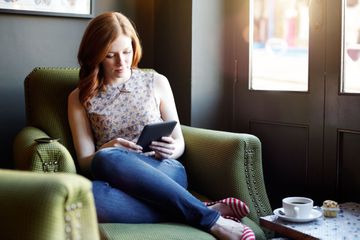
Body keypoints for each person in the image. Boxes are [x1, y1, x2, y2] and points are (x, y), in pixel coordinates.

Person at [68, 11, 255, 240]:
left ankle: (211, 221)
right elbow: (86, 160)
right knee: (91, 187)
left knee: (105, 165)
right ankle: (201, 208)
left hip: (165, 171)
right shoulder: (80, 97)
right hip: (115, 178)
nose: (122, 62)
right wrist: (109, 147)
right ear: (95, 55)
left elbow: (179, 142)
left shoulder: (156, 81)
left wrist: (171, 149)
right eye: (110, 55)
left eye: (127, 52)